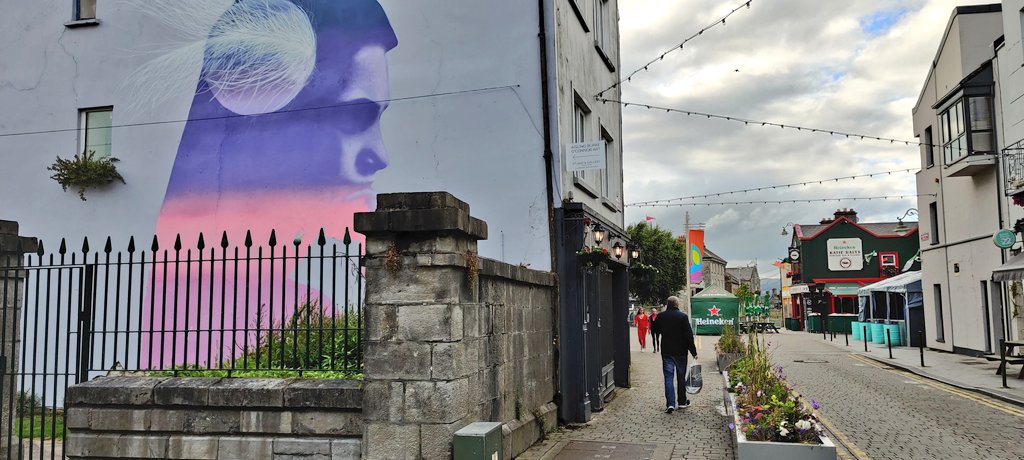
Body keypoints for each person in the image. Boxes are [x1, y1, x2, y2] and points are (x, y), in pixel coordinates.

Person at [651, 296, 697, 413]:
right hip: (681, 352)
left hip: (667, 352)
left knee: (668, 378)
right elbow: (688, 336)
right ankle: (682, 402)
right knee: (681, 377)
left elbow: (654, 329)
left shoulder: (661, 316)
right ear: (677, 304)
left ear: (668, 304)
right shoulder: (683, 317)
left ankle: (670, 404)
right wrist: (693, 352)